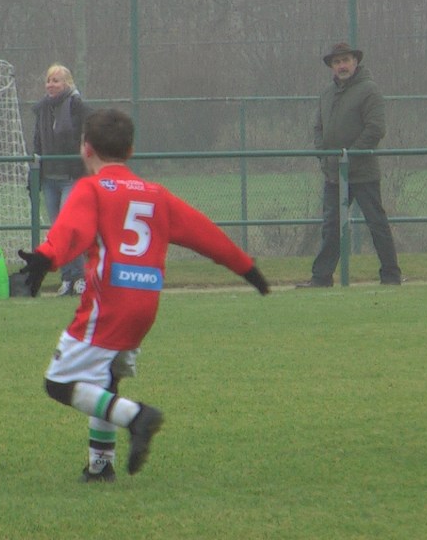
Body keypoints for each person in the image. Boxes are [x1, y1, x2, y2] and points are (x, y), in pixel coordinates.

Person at [18, 109, 270, 482]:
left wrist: (45, 257)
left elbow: (72, 230)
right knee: (105, 379)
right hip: (144, 304)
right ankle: (101, 465)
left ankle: (137, 417)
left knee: (57, 384)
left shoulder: (92, 189)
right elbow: (205, 234)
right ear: (131, 150)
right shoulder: (156, 195)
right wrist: (247, 269)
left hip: (109, 304)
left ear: (85, 148)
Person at [298, 43, 401, 288]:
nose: (341, 66)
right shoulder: (326, 93)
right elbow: (318, 128)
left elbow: (376, 129)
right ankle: (321, 277)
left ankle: (391, 275)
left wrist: (349, 156)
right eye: (337, 62)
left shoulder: (369, 90)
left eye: (345, 60)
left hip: (363, 172)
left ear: (355, 62)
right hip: (334, 173)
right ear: (331, 67)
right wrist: (324, 156)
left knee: (376, 223)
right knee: (331, 227)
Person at [31, 63, 94, 296]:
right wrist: (36, 170)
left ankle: (80, 277)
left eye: (56, 80)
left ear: (67, 83)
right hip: (49, 178)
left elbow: (88, 135)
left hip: (71, 176)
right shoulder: (42, 109)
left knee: (70, 227)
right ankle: (68, 278)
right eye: (48, 80)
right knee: (58, 230)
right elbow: (37, 140)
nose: (51, 85)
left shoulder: (78, 106)